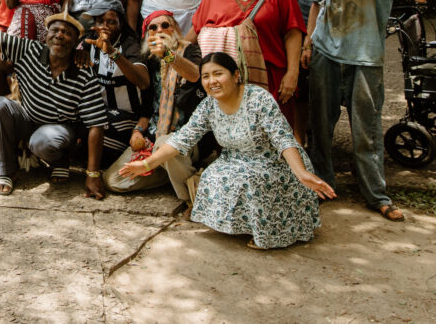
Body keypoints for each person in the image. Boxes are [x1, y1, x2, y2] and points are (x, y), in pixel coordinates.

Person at [120, 52, 335, 249]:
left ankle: (271, 231)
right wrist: (146, 164)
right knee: (213, 175)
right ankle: (244, 224)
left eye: (218, 74)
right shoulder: (209, 106)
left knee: (250, 180)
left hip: (276, 162)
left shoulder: (258, 98)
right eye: (206, 76)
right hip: (236, 160)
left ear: (236, 75)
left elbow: (283, 139)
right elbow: (181, 139)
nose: (212, 81)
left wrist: (301, 172)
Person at [303, 0, 428, 223]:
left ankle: (376, 195)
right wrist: (308, 43)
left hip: (367, 56)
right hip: (325, 54)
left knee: (367, 128)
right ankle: (323, 185)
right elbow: (315, 4)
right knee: (321, 126)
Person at [0, 0, 108, 197]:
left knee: (42, 141)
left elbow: (96, 125)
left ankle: (60, 160)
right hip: (28, 121)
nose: (59, 35)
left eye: (67, 33)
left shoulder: (83, 72)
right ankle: (7, 171)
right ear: (46, 36)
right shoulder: (29, 50)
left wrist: (93, 174)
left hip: (60, 133)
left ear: (75, 42)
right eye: (55, 30)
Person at [191, 0, 305, 135]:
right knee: (233, 139)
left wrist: (292, 73)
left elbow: (293, 32)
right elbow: (197, 29)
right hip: (228, 84)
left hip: (272, 80)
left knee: (276, 137)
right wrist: (172, 49)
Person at [104, 11, 206, 204]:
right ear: (147, 36)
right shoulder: (150, 61)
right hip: (154, 136)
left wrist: (167, 55)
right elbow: (147, 109)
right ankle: (172, 172)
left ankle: (191, 197)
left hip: (187, 138)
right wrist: (137, 131)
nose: (160, 30)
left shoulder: (190, 51)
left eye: (165, 25)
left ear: (175, 29)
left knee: (164, 144)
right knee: (114, 180)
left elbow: (194, 75)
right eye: (153, 28)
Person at [80, 0, 151, 166]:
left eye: (111, 22)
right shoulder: (89, 41)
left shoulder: (129, 44)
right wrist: (77, 53)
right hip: (100, 111)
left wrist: (113, 53)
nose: (105, 26)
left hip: (126, 116)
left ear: (121, 24)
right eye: (100, 21)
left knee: (95, 127)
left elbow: (143, 81)